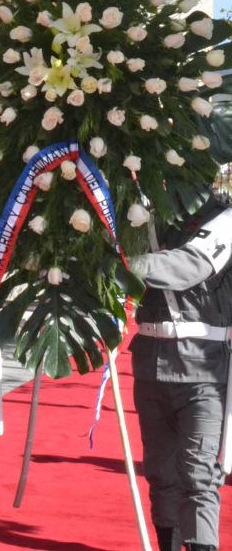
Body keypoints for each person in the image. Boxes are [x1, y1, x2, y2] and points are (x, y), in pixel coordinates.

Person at [128, 193, 232, 551]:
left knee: (198, 475)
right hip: (150, 365)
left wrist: (121, 263)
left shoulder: (226, 218)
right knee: (160, 474)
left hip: (203, 369)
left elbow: (190, 265)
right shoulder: (146, 216)